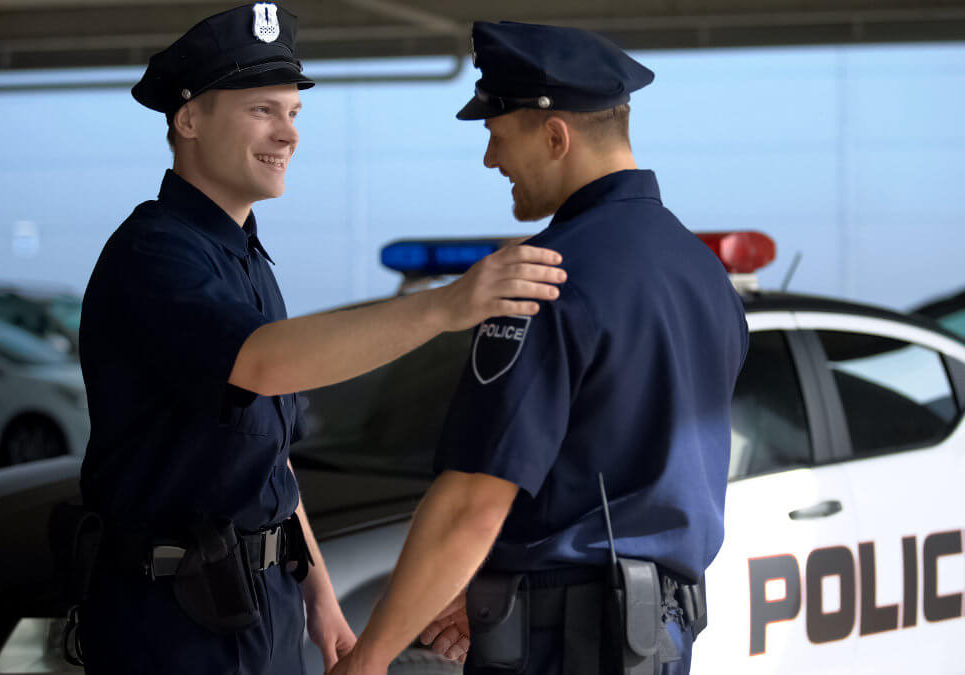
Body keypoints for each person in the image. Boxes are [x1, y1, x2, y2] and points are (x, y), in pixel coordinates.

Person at [76, 6, 565, 675]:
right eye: (262, 111)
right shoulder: (155, 253)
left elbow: (269, 462)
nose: (287, 134)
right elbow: (262, 364)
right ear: (188, 120)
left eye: (294, 114)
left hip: (260, 607)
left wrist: (320, 596)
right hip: (172, 625)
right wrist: (446, 305)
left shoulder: (245, 259)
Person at [329, 20, 748, 675]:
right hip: (655, 640)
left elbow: (473, 499)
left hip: (562, 647)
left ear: (555, 136)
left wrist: (369, 658)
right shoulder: (700, 271)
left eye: (498, 138)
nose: (491, 160)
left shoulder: (544, 275)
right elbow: (619, 461)